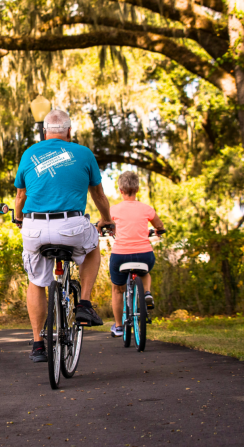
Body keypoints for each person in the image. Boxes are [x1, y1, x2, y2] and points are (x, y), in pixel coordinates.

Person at [14, 109, 114, 363]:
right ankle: (84, 304)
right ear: (70, 131)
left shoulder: (29, 154)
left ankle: (38, 343)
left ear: (44, 132)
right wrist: (107, 220)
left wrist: (18, 219)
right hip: (71, 225)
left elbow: (20, 198)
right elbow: (99, 196)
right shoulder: (83, 153)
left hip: (34, 227)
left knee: (36, 281)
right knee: (92, 248)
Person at [108, 171, 165, 338]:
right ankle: (146, 292)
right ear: (137, 189)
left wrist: (104, 229)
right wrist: (158, 231)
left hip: (120, 256)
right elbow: (159, 225)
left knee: (117, 289)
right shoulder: (146, 209)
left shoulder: (114, 210)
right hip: (144, 254)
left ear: (121, 190)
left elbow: (105, 224)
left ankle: (118, 326)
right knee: (145, 272)